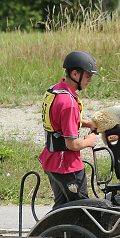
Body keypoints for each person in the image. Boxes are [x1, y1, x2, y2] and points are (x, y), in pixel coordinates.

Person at [39, 50, 99, 207]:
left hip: (51, 161)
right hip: (66, 165)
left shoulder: (56, 90)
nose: (90, 80)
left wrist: (86, 123)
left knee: (60, 208)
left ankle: (51, 232)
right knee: (80, 209)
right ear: (74, 74)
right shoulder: (69, 102)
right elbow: (72, 144)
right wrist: (89, 141)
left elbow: (58, 121)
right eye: (88, 76)